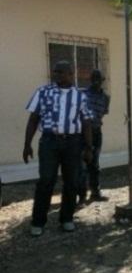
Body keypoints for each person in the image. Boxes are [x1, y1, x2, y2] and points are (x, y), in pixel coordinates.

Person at [23, 61, 93, 237]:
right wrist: (27, 144)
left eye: (62, 72)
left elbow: (86, 123)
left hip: (73, 143)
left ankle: (67, 219)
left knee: (71, 181)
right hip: (49, 142)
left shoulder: (80, 96)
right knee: (46, 181)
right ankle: (38, 222)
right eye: (56, 72)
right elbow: (33, 119)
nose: (58, 75)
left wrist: (89, 148)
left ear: (71, 74)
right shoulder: (43, 92)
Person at [78, 69, 110, 203]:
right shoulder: (82, 94)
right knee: (81, 165)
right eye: (94, 78)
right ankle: (81, 195)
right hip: (81, 133)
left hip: (96, 132)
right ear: (90, 80)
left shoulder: (106, 98)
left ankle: (95, 192)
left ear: (103, 81)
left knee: (95, 164)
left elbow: (103, 113)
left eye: (99, 79)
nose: (96, 81)